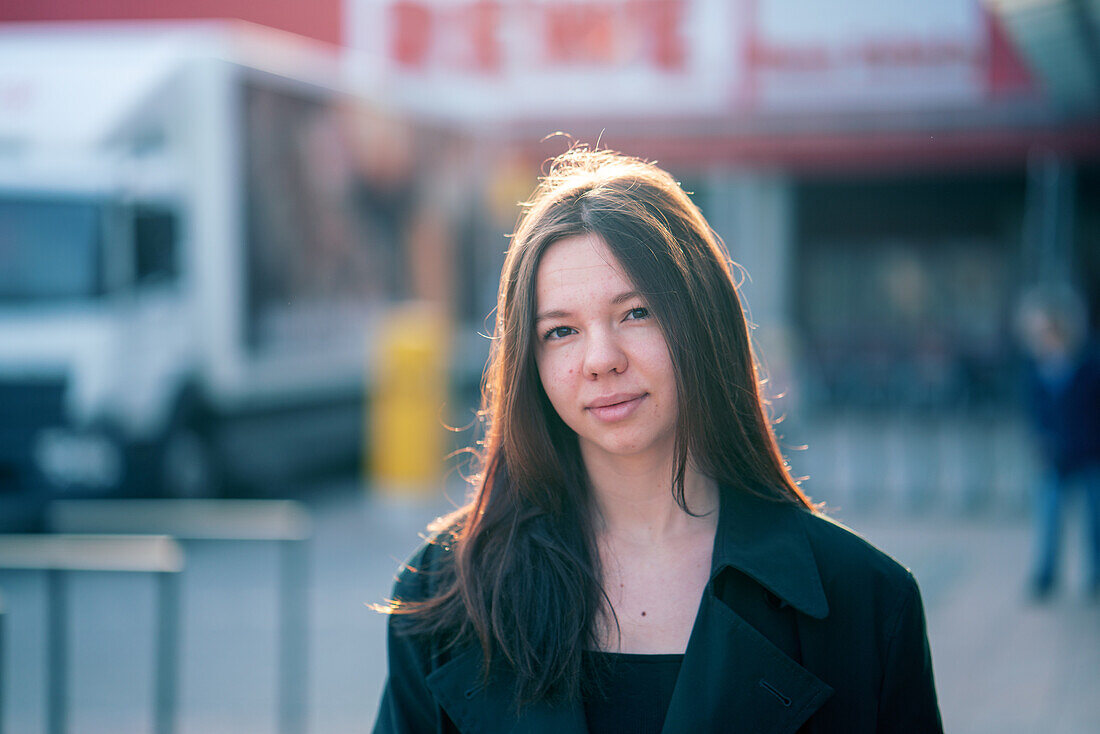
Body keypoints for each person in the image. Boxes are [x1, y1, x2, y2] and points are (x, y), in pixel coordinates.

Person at [373, 147, 943, 733]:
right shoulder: (445, 593)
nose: (601, 360)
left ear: (702, 322)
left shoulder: (867, 601)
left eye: (636, 313)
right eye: (561, 331)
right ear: (530, 363)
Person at [1016, 284, 1100, 600]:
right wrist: (1039, 440)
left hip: (1089, 453)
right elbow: (1034, 412)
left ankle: (1095, 576)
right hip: (1054, 457)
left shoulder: (1088, 365)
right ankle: (1046, 576)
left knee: (1094, 522)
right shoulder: (1035, 369)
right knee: (1049, 520)